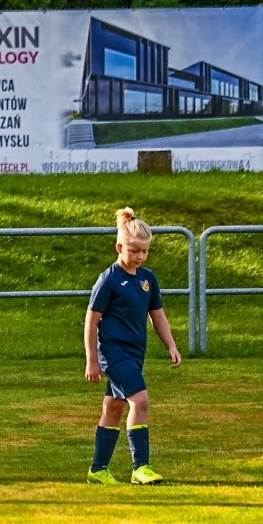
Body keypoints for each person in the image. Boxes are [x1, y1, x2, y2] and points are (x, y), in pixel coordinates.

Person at [85, 207, 181, 485]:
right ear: (119, 247)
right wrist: (92, 360)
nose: (140, 256)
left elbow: (158, 315)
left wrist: (171, 345)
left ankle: (98, 469)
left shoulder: (148, 279)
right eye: (134, 250)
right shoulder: (109, 280)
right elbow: (91, 322)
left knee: (113, 408)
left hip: (135, 353)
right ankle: (141, 468)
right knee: (140, 401)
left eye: (145, 251)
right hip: (114, 353)